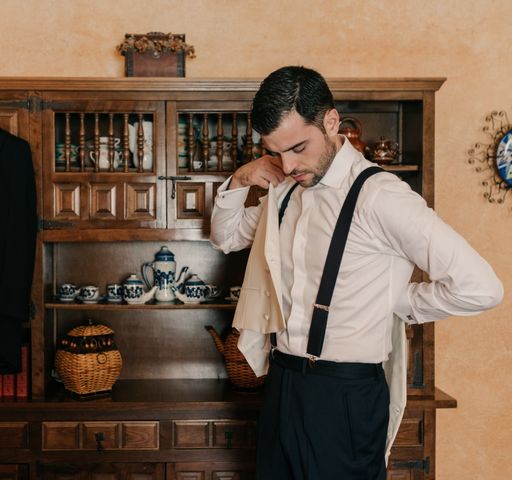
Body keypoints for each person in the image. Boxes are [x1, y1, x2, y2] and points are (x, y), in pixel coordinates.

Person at [210, 66, 503, 480]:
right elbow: (225, 238)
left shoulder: (381, 197)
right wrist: (242, 177)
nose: (288, 164)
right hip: (282, 384)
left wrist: (397, 301)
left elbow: (481, 288)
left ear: (331, 122)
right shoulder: (286, 190)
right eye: (275, 152)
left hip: (344, 395)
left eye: (297, 147)